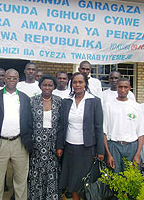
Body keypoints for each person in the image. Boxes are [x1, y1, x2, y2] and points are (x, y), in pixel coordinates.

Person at [0, 69, 33, 200]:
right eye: (9, 77)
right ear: (4, 78)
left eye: (14, 78)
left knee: (21, 180)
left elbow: (29, 121)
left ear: (18, 80)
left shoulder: (24, 98)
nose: (11, 80)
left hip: (20, 143)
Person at [56, 72, 104, 200]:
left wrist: (100, 150)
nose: (77, 85)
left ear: (85, 84)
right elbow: (62, 126)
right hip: (70, 147)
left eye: (80, 82)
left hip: (87, 148)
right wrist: (59, 146)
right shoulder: (66, 102)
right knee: (72, 179)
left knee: (84, 180)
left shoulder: (94, 101)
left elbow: (98, 127)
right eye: (75, 82)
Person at [28, 75, 62, 200]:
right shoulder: (32, 101)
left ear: (54, 87)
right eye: (45, 85)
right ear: (40, 86)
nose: (47, 87)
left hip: (53, 145)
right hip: (36, 144)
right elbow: (27, 123)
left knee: (52, 172)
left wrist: (60, 145)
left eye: (50, 85)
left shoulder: (59, 101)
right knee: (36, 172)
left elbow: (62, 125)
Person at [103, 78, 144, 173]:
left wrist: (137, 154)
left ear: (129, 88)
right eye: (120, 87)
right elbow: (104, 132)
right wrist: (108, 154)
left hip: (131, 147)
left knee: (130, 178)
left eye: (125, 87)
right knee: (114, 178)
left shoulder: (136, 107)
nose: (123, 90)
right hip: (114, 146)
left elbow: (141, 133)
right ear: (117, 88)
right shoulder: (108, 105)